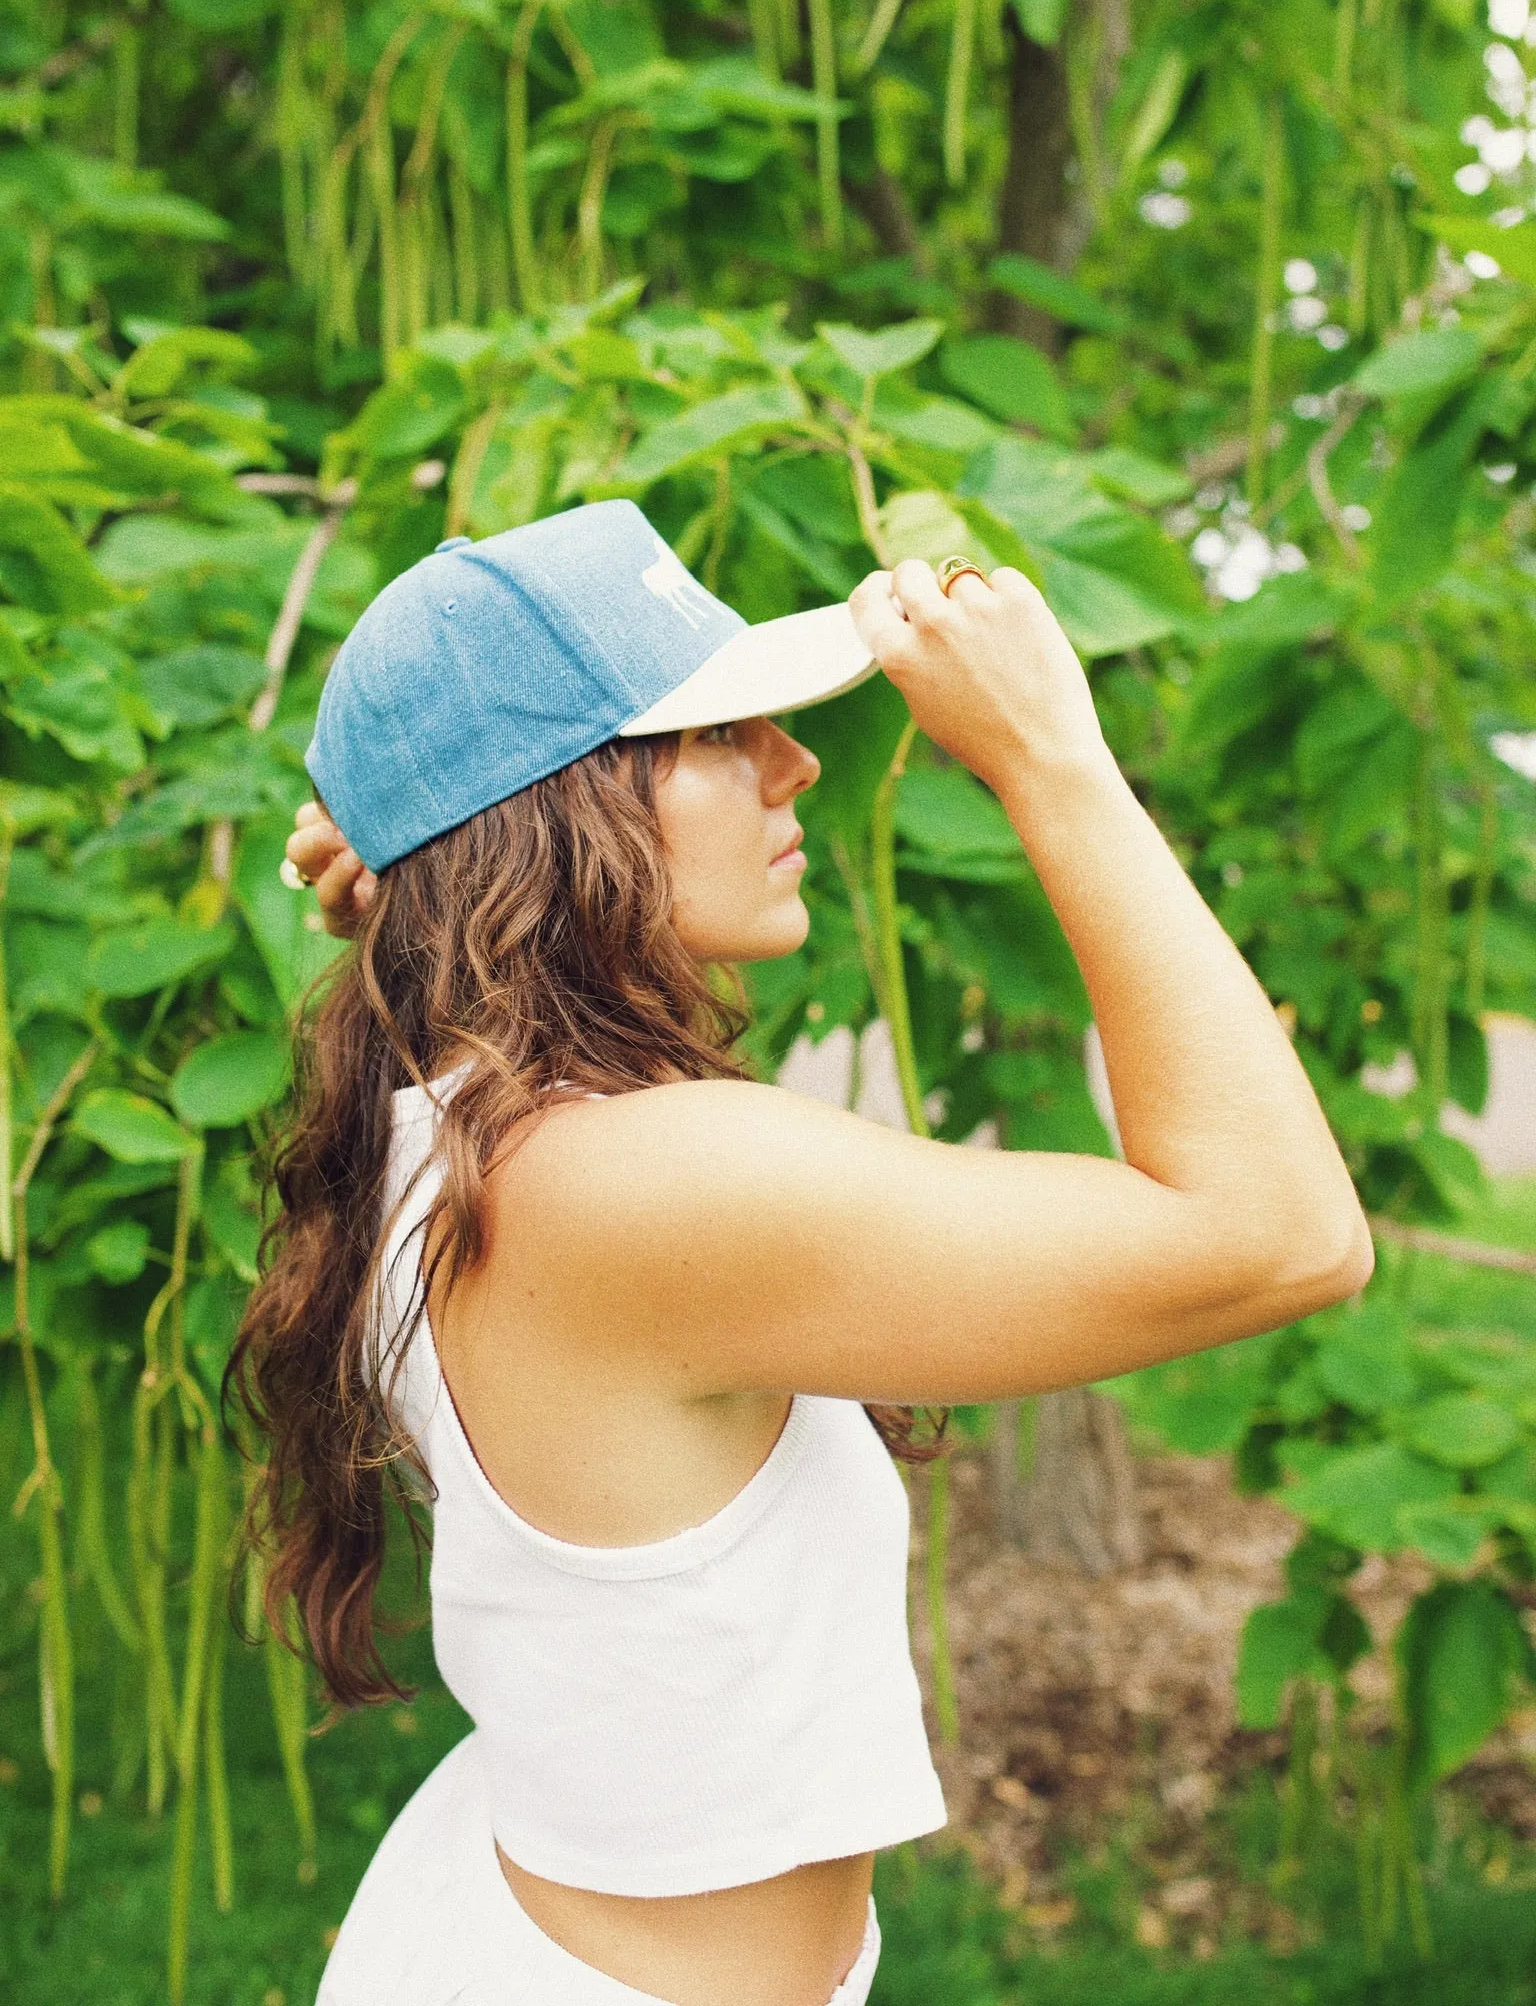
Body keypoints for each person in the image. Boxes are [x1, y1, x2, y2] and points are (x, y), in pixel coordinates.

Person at [229, 501, 1372, 2006]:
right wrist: (1051, 760)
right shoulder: (633, 1181)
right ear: (565, 814)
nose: (796, 765)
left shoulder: (472, 1128)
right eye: (719, 736)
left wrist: (406, 846)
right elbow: (1279, 1232)